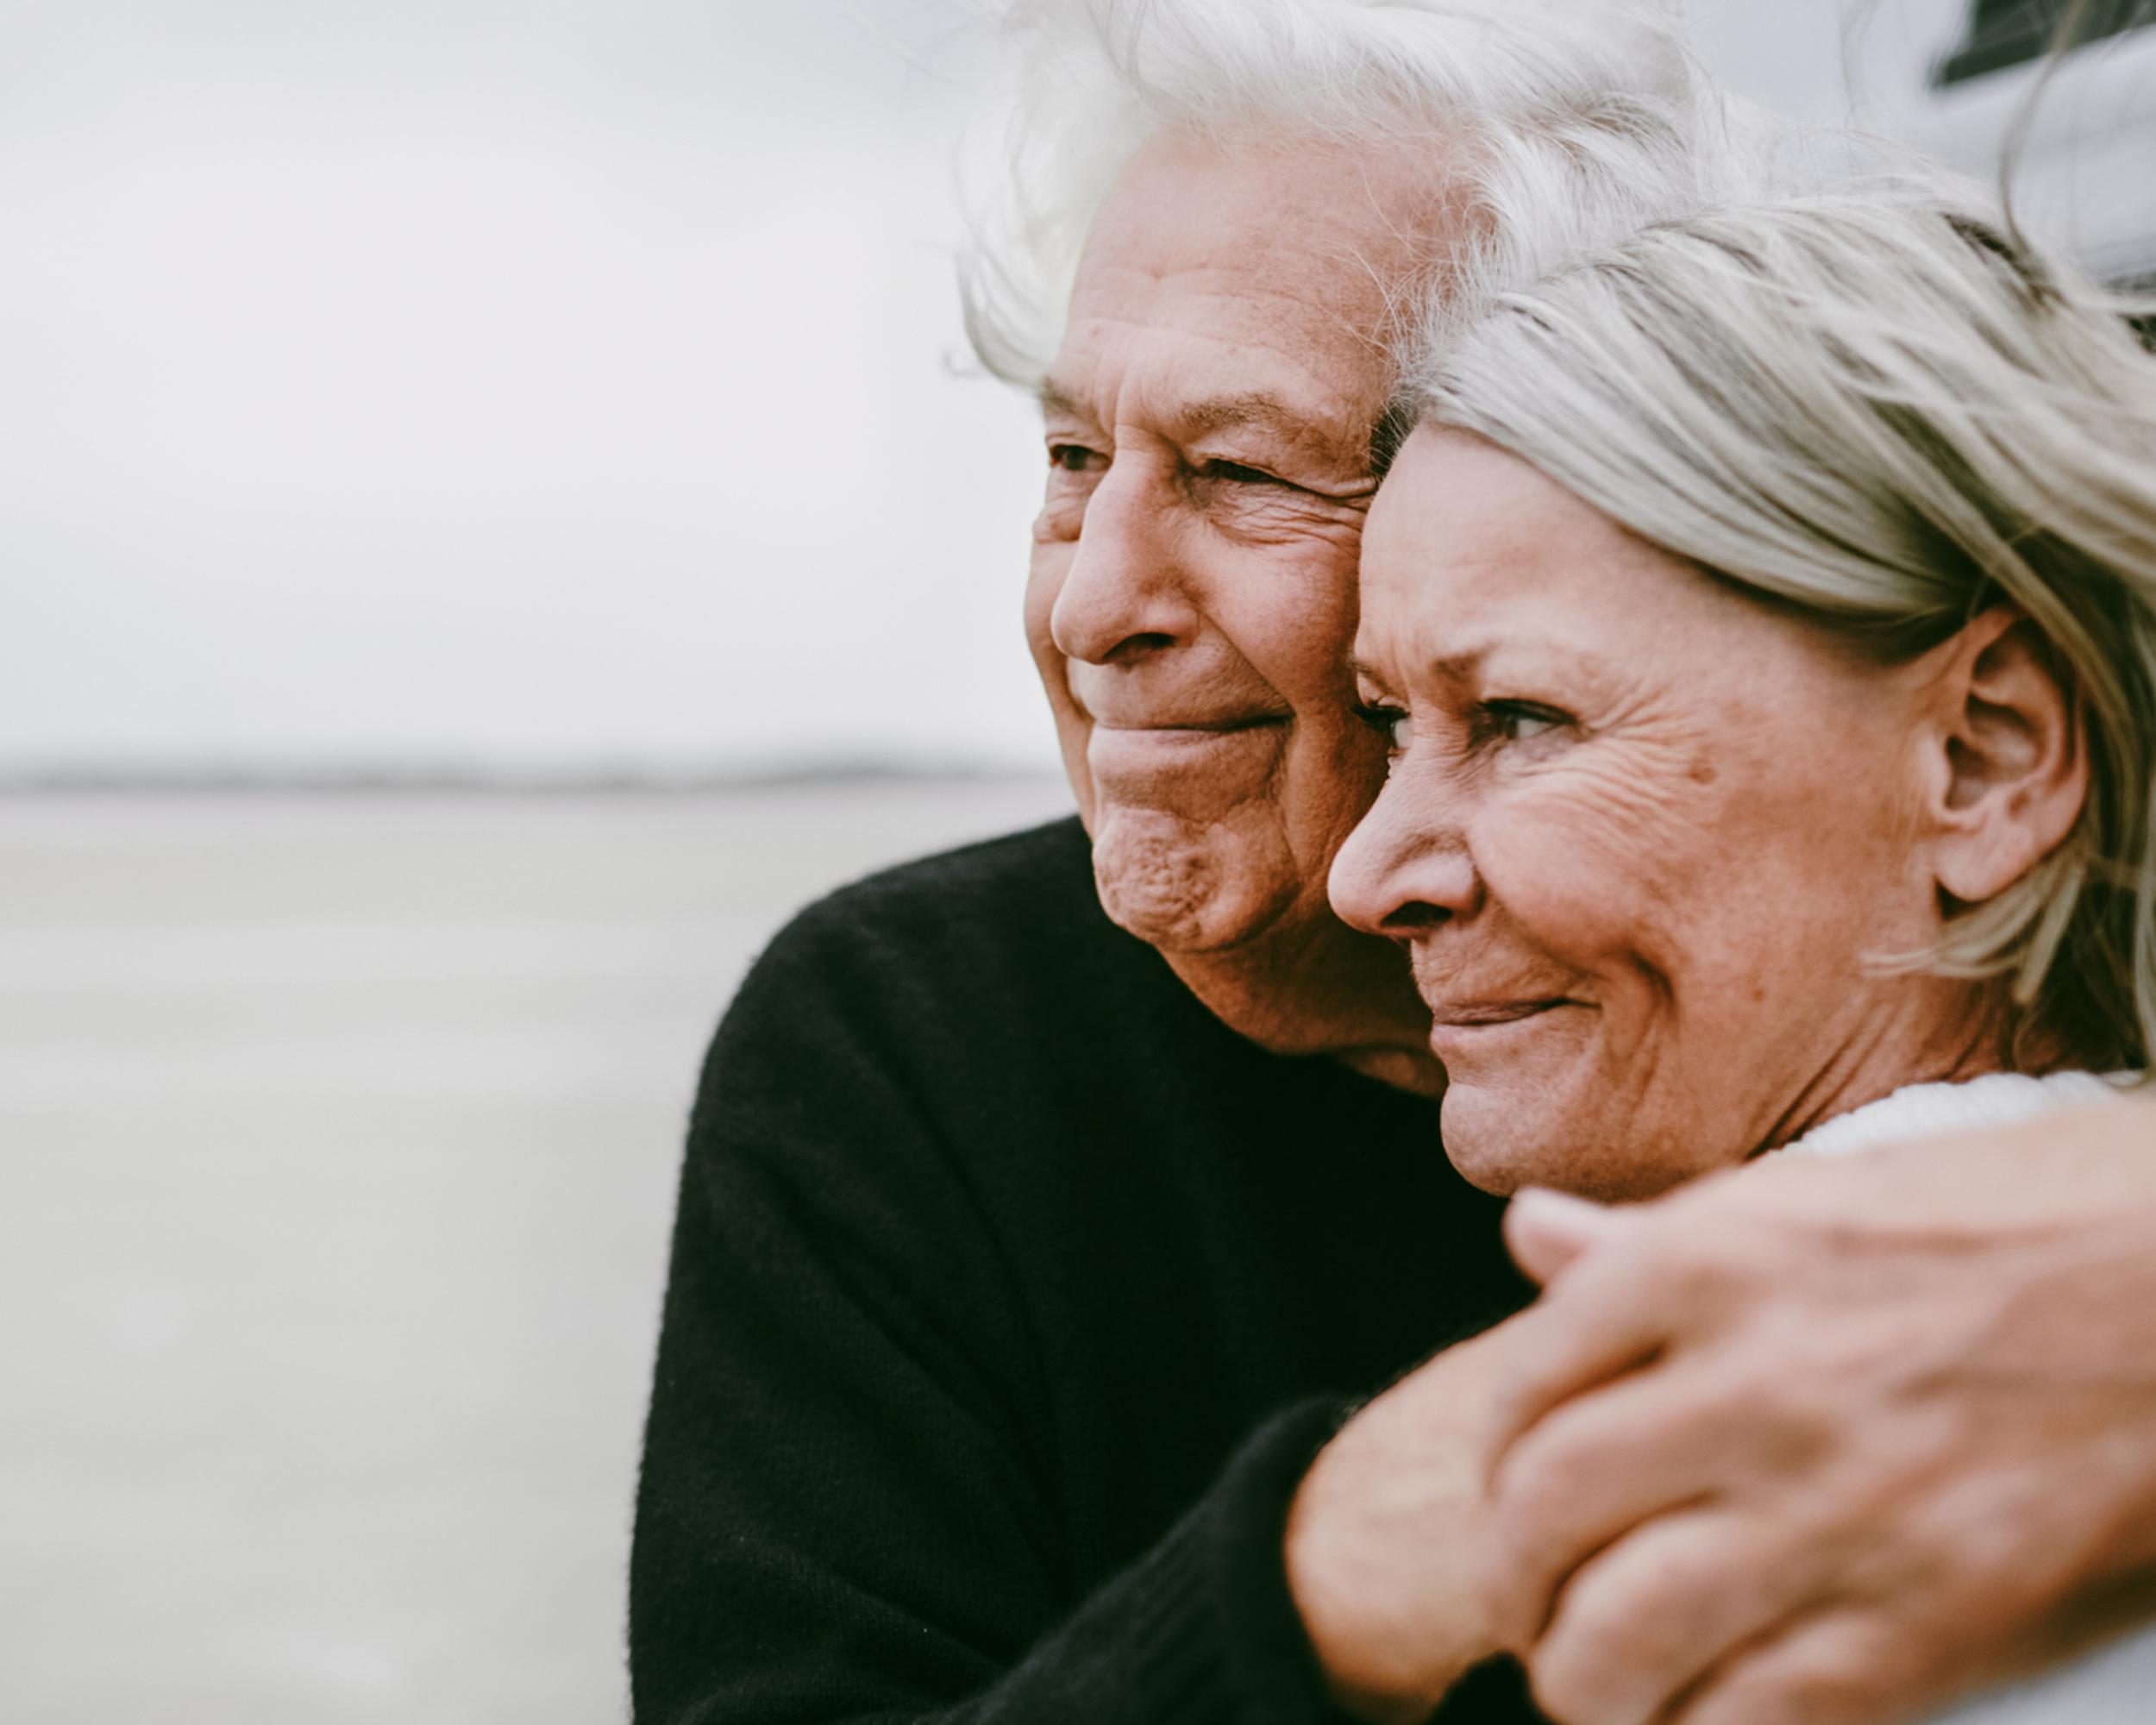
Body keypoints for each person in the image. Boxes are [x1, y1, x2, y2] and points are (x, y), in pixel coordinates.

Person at [631, 5, 2156, 1722]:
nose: (1086, 603)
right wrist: (1349, 1554)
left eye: (1232, 469)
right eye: (1068, 461)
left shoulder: (1976, 1299)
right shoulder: (921, 1045)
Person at [1328, 180, 2156, 1724]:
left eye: (1518, 719)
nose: (1365, 874)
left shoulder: (1845, 1509)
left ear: (1983, 759)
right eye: (1390, 725)